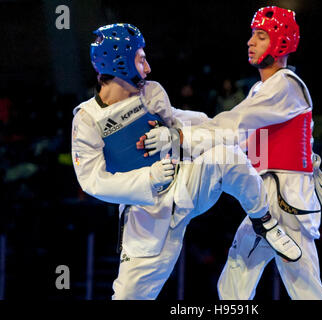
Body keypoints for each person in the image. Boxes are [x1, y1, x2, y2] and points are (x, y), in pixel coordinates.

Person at [71, 23, 300, 300]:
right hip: (146, 215)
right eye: (141, 58)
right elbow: (93, 181)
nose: (147, 67)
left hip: (186, 185)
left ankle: (264, 220)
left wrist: (184, 134)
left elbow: (183, 120)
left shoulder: (151, 92)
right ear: (120, 62)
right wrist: (149, 179)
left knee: (226, 156)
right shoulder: (87, 119)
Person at [142, 6, 322, 299]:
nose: (250, 42)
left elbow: (234, 126)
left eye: (260, 36)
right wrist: (172, 117)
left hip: (288, 200)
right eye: (251, 35)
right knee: (234, 285)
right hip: (268, 196)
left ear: (281, 42)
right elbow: (222, 125)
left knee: (304, 290)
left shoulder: (286, 85)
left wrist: (177, 137)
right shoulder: (263, 89)